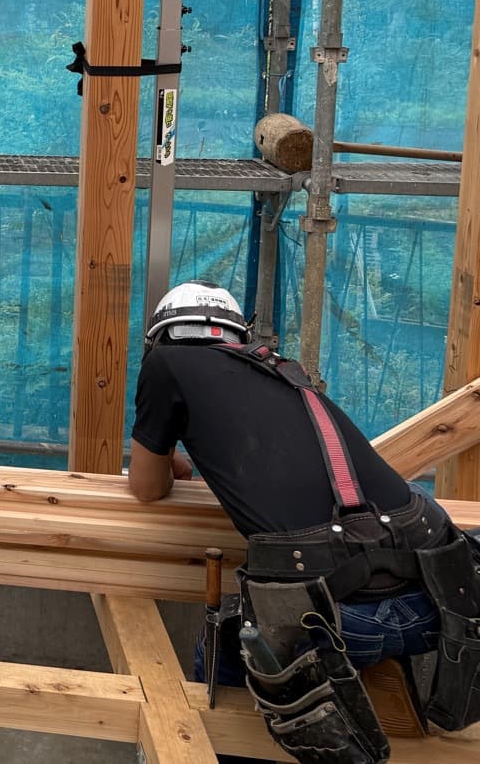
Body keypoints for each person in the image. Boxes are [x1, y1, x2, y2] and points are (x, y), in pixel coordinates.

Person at [129, 281, 480, 763]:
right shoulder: (283, 371)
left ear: (160, 336)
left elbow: (147, 487)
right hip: (440, 607)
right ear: (239, 335)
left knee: (224, 655)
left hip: (336, 625)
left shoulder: (165, 364)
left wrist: (167, 450)